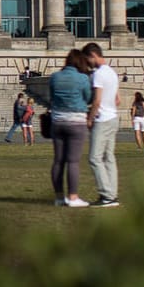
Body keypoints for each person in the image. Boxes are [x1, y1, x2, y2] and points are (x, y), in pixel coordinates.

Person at [49, 49, 93, 208]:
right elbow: (88, 97)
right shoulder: (82, 78)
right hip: (76, 121)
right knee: (73, 161)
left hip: (58, 120)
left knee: (58, 161)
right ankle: (73, 197)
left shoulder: (55, 77)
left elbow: (52, 97)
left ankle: (59, 197)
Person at [83, 42, 120, 208]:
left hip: (102, 119)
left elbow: (96, 101)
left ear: (93, 55)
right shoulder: (112, 73)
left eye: (87, 59)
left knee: (94, 158)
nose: (88, 63)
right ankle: (112, 194)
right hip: (113, 117)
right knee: (109, 157)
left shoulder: (98, 75)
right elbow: (117, 99)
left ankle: (106, 195)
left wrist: (89, 118)